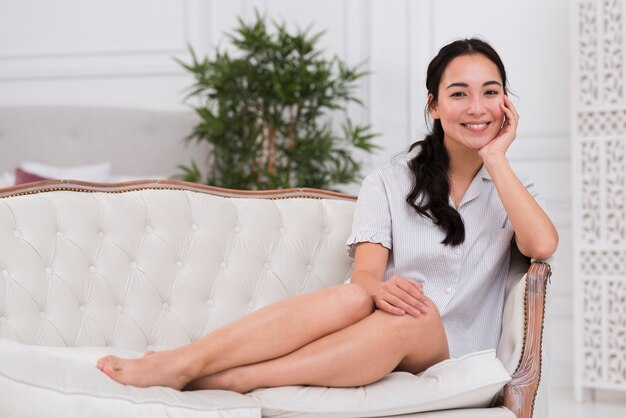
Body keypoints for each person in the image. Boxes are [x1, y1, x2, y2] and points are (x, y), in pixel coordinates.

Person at [96, 38, 558, 393]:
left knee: (416, 315)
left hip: (451, 351)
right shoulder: (388, 182)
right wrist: (382, 289)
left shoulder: (510, 192)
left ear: (506, 104)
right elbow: (364, 280)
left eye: (490, 93)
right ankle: (186, 361)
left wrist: (496, 158)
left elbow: (542, 245)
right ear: (434, 106)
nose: (476, 108)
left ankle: (235, 379)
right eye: (459, 94)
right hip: (383, 329)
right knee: (359, 299)